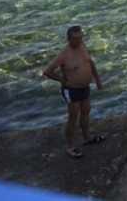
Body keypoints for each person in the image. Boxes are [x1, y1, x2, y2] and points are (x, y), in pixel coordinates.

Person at [42, 25, 104, 159]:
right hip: (71, 90)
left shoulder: (83, 47)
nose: (79, 40)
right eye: (76, 38)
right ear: (69, 39)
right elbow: (47, 71)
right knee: (73, 117)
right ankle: (70, 146)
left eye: (81, 37)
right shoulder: (64, 55)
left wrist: (97, 79)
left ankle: (87, 138)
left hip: (84, 87)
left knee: (86, 111)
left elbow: (90, 62)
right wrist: (62, 80)